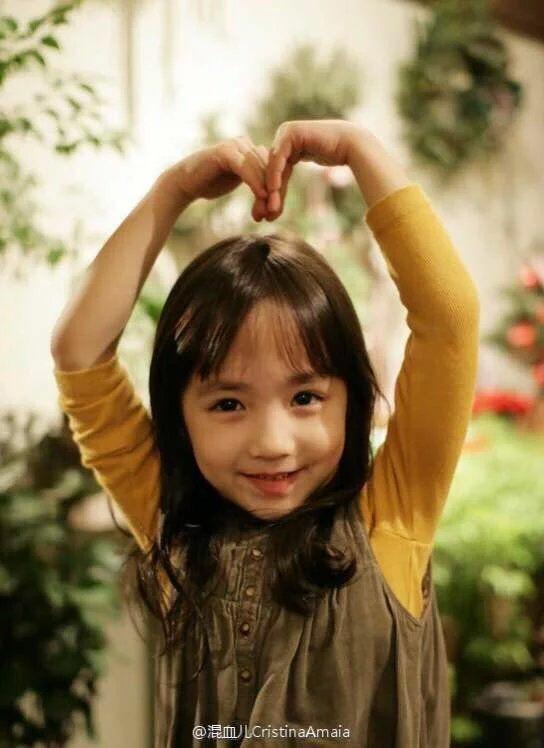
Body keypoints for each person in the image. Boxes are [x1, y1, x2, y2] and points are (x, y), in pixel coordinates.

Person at [51, 120, 480, 747]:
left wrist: (358, 150)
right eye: (228, 403)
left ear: (351, 402)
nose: (272, 442)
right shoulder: (171, 520)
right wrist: (173, 190)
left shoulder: (392, 517)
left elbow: (449, 319)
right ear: (180, 418)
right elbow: (79, 354)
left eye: (306, 397)